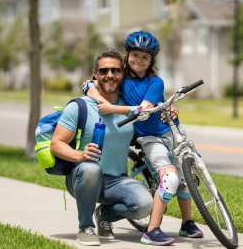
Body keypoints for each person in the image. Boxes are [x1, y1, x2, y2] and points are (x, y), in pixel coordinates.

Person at [82, 31, 203, 246]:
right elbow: (88, 85)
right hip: (148, 138)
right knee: (170, 180)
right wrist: (101, 99)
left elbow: (144, 109)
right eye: (135, 55)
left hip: (170, 131)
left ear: (152, 61)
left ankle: (187, 223)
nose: (139, 60)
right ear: (127, 56)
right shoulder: (121, 79)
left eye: (145, 57)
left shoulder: (156, 82)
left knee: (185, 180)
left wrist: (112, 108)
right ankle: (152, 229)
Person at [51, 48, 153, 246]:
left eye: (116, 71)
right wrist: (80, 155)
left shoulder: (129, 105)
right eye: (104, 71)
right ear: (95, 73)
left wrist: (170, 109)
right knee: (91, 168)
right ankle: (85, 227)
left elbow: (151, 109)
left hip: (117, 181)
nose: (110, 75)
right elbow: (56, 144)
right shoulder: (79, 106)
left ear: (123, 74)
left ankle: (104, 215)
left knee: (145, 205)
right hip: (83, 176)